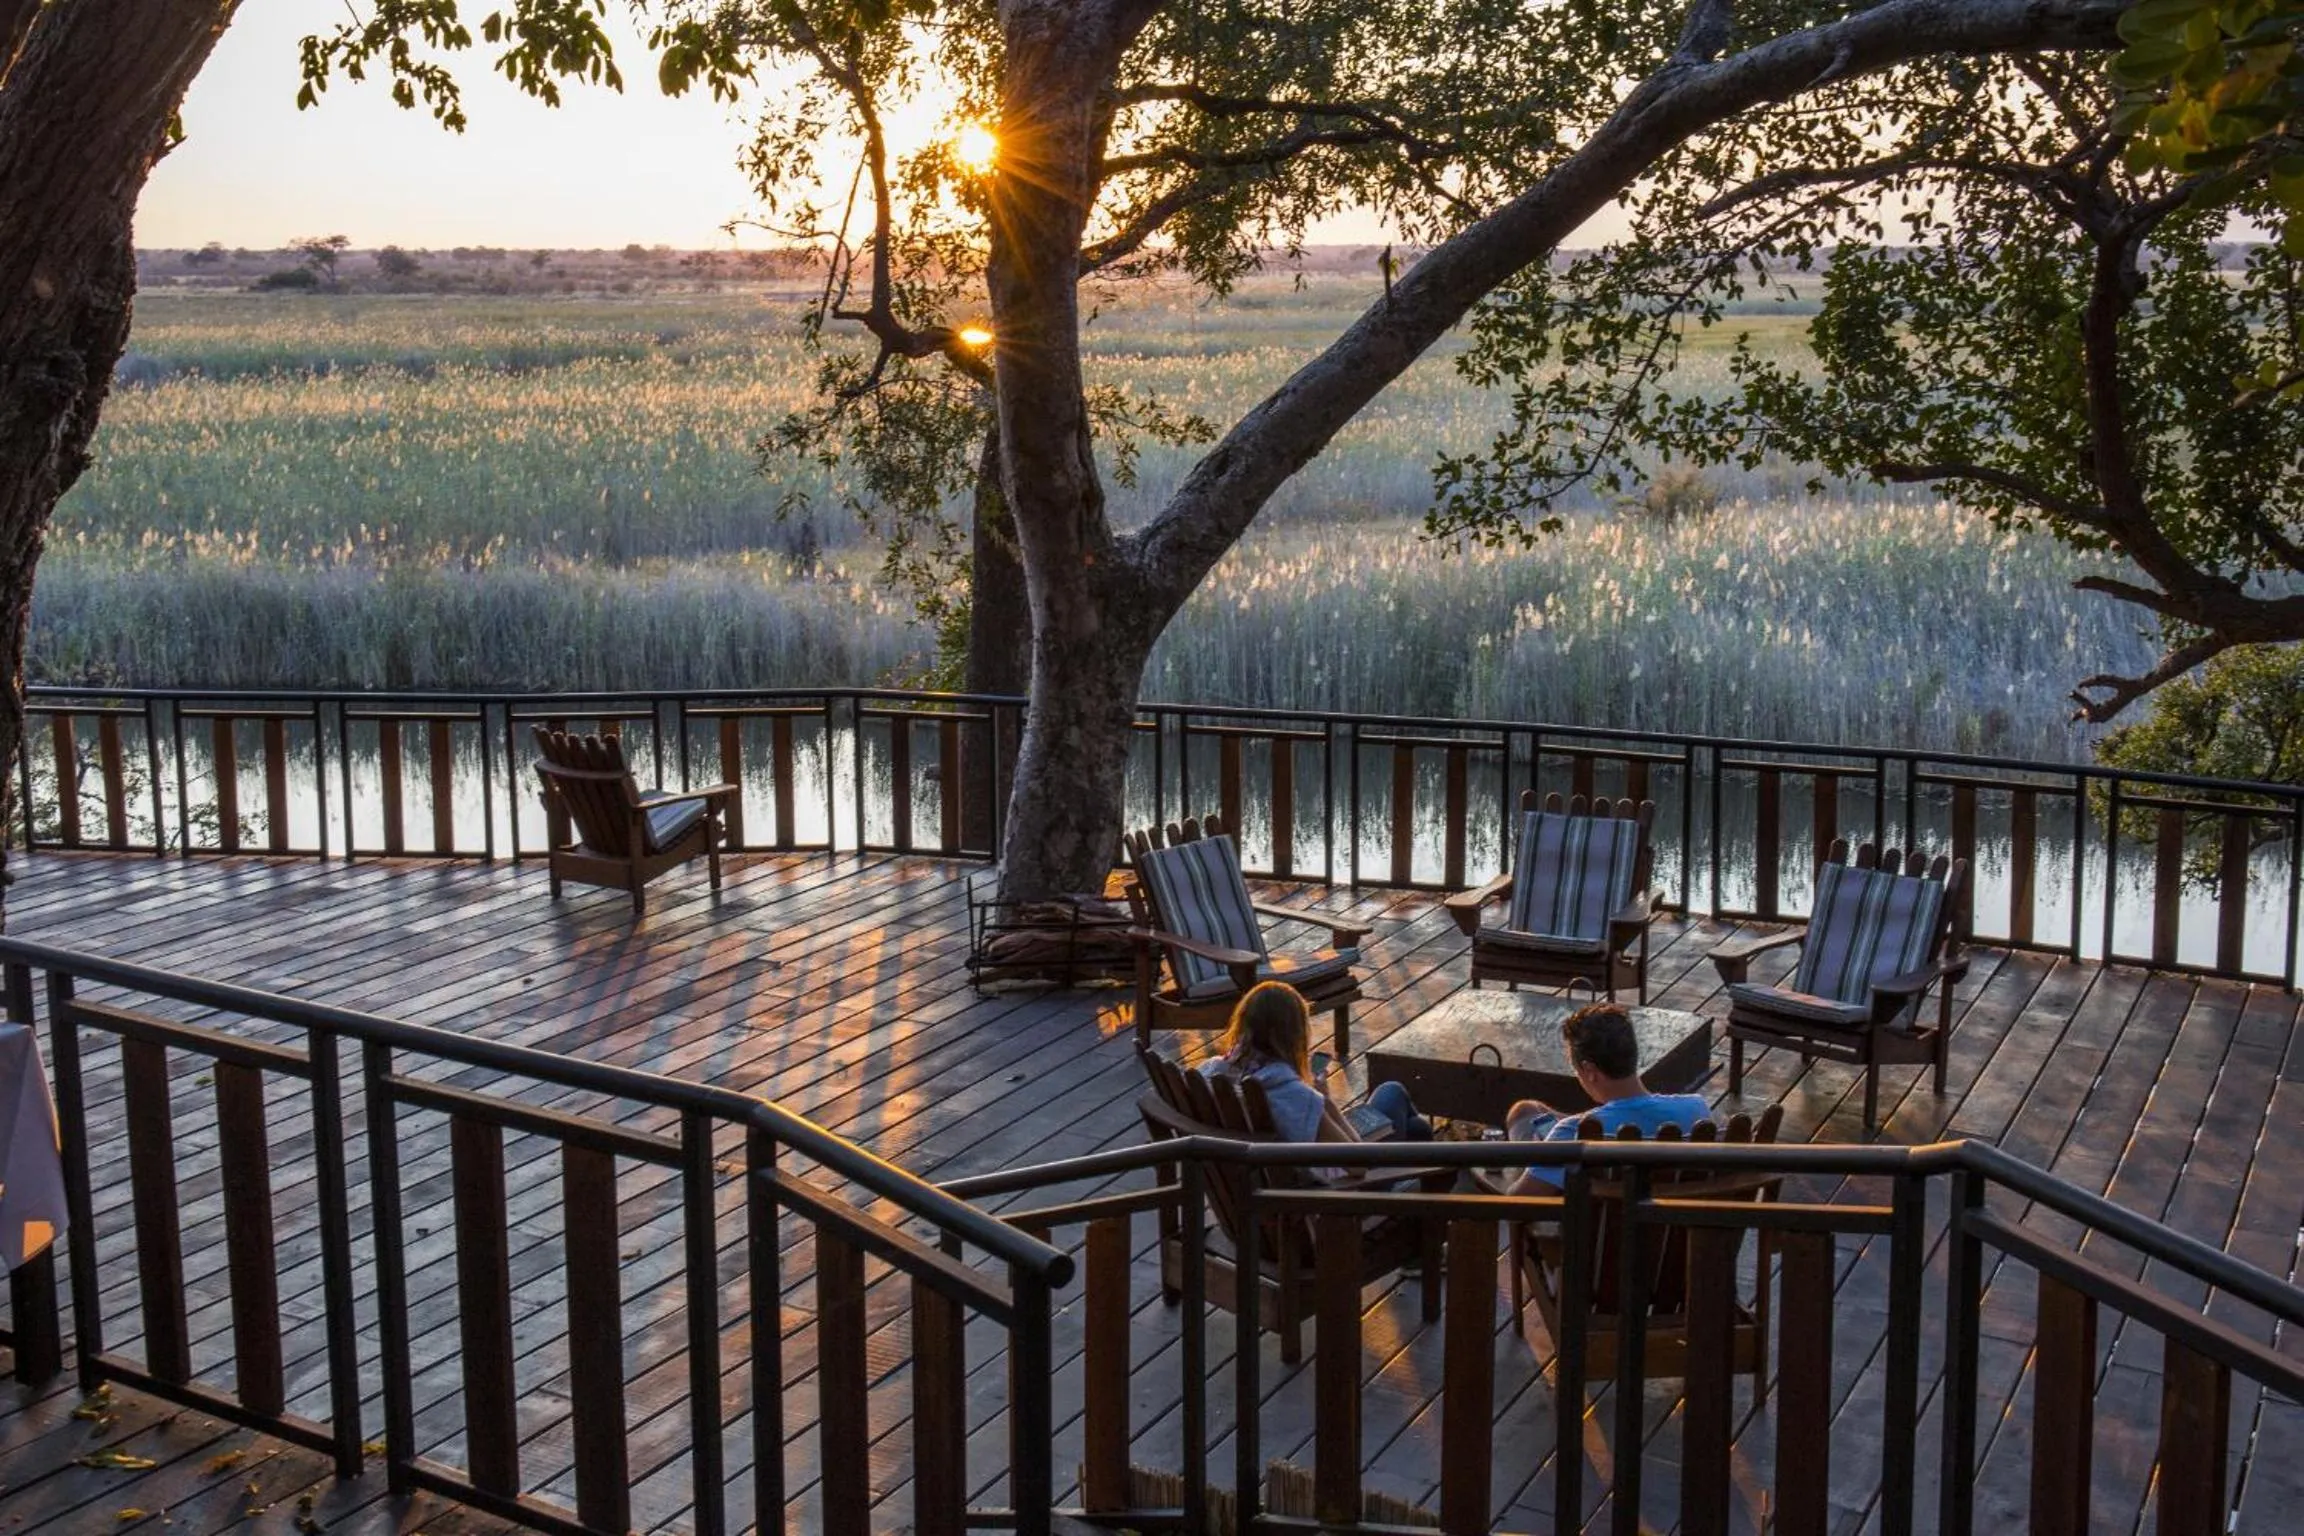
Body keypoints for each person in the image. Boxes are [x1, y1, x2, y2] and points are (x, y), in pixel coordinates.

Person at [1497, 1001, 1710, 1195]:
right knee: (1526, 1110)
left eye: (1575, 1069)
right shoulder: (1696, 1110)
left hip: (1597, 1236)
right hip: (1679, 1235)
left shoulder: (1571, 1134)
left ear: (1590, 1071)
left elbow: (1519, 1201)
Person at [1201, 980, 1431, 1146]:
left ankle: (1424, 1192)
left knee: (1417, 1130)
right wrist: (1326, 1102)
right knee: (1393, 1092)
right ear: (1294, 1035)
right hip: (1340, 1194)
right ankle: (1422, 1200)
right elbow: (1359, 1163)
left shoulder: (1212, 1075)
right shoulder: (1293, 1095)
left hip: (1267, 1182)